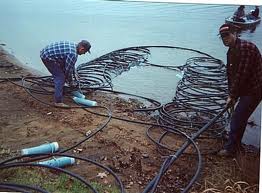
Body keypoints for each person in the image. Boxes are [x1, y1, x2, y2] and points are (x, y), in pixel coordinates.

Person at [218, 23, 262, 156]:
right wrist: (231, 95)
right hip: (245, 88)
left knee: (237, 118)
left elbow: (242, 74)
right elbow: (231, 75)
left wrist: (232, 95)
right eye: (222, 37)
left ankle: (231, 149)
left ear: (235, 33)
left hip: (255, 89)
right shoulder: (231, 50)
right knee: (240, 118)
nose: (225, 39)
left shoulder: (245, 48)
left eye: (227, 35)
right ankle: (236, 145)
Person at [40, 40, 91, 108]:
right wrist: (71, 82)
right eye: (84, 52)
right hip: (47, 57)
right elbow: (68, 71)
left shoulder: (74, 46)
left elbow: (70, 65)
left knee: (61, 73)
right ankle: (58, 102)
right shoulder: (73, 54)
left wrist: (75, 74)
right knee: (60, 77)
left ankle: (61, 90)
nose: (84, 54)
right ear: (82, 49)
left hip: (48, 53)